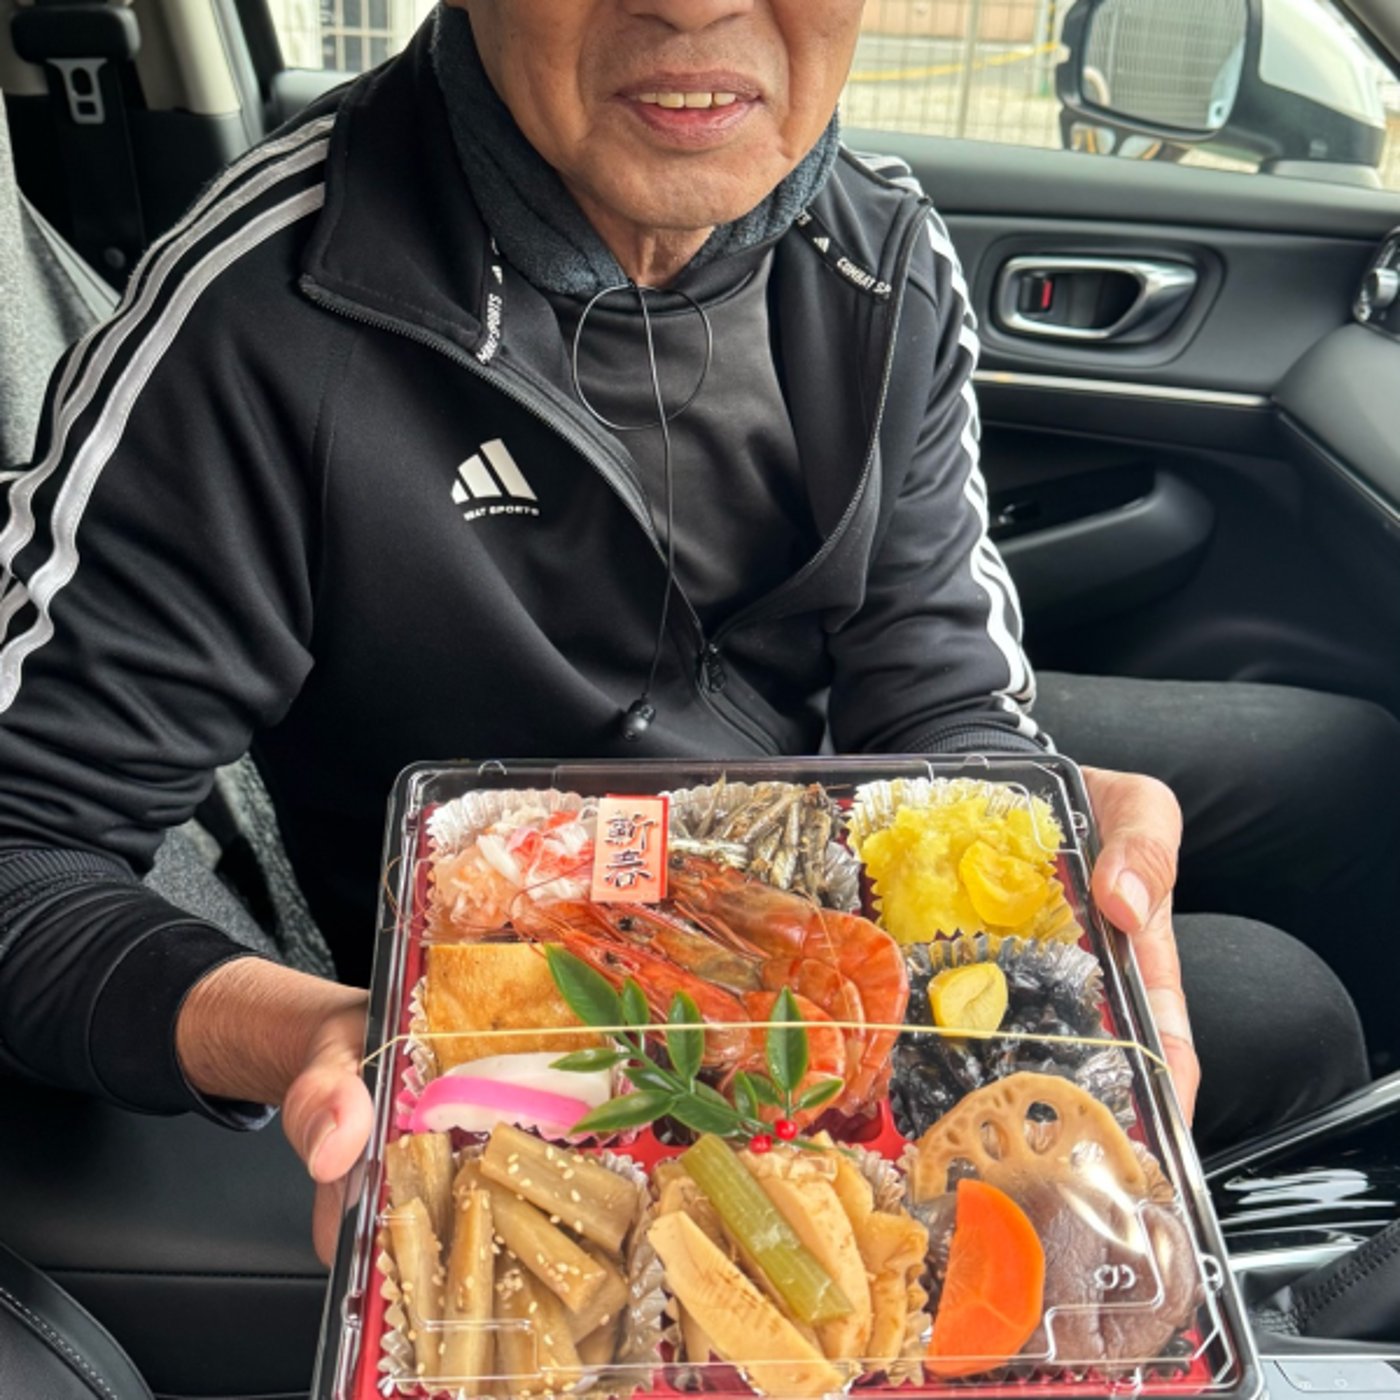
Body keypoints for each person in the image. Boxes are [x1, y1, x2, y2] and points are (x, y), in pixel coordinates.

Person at [0, 0, 1366, 1264]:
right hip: (535, 1004)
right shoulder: (262, 315)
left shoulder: (879, 249)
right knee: (1280, 1003)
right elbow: (22, 851)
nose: (697, 6)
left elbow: (938, 706)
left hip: (799, 874)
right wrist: (322, 1035)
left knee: (1347, 773)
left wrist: (1017, 834)